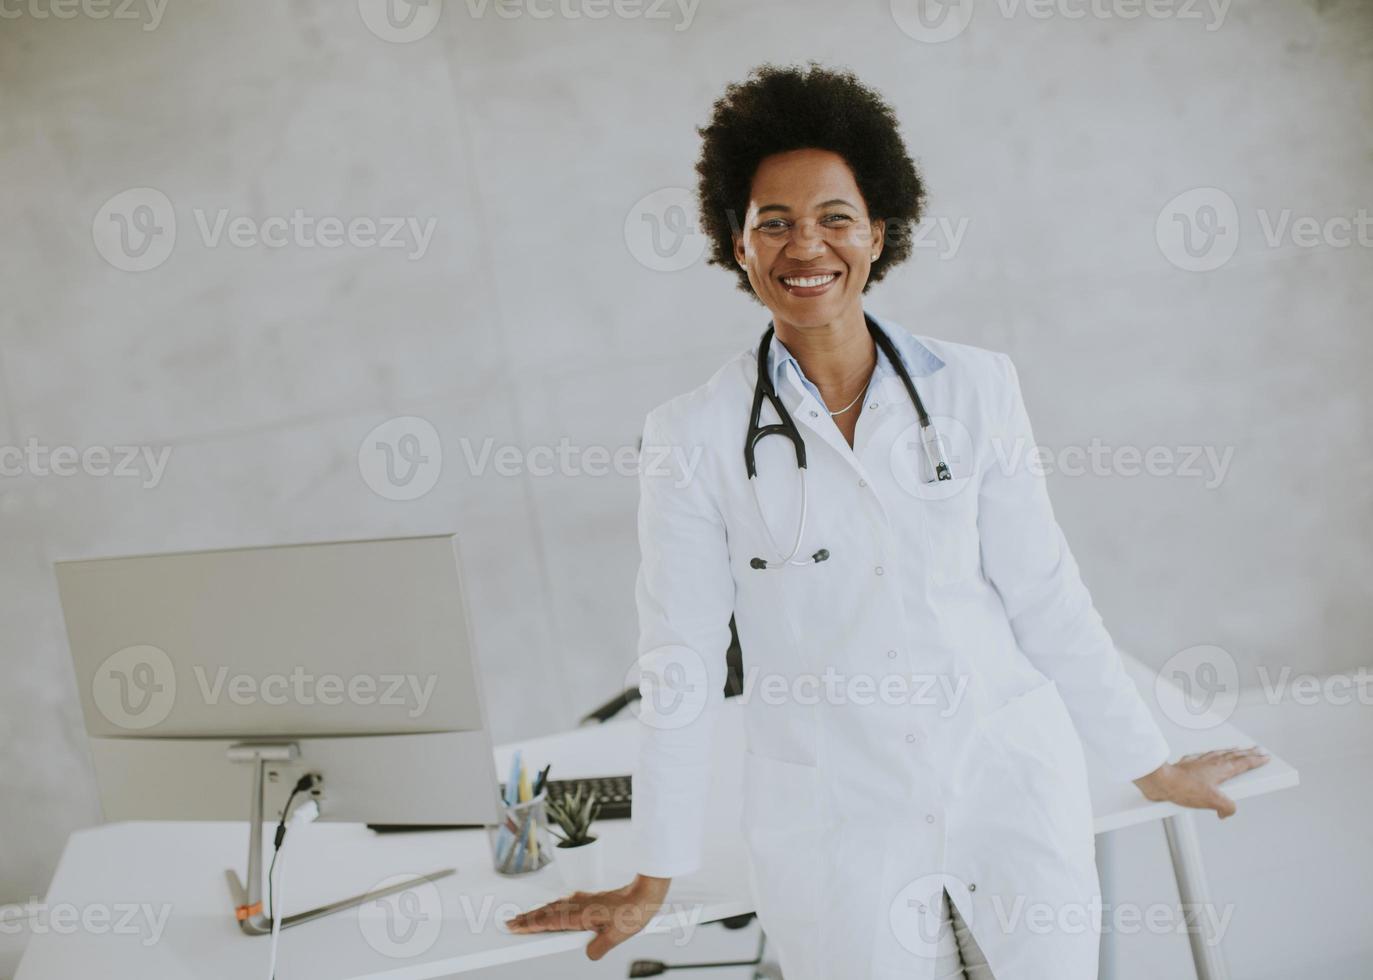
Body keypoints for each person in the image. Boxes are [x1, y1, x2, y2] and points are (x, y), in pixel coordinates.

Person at [506, 62, 1268, 979]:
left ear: (876, 230)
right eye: (772, 223)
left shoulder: (977, 388)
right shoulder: (692, 438)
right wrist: (653, 875)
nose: (805, 247)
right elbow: (680, 663)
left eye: (833, 217)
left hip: (1005, 781)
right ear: (735, 244)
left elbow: (1045, 595)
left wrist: (1148, 763)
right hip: (834, 818)